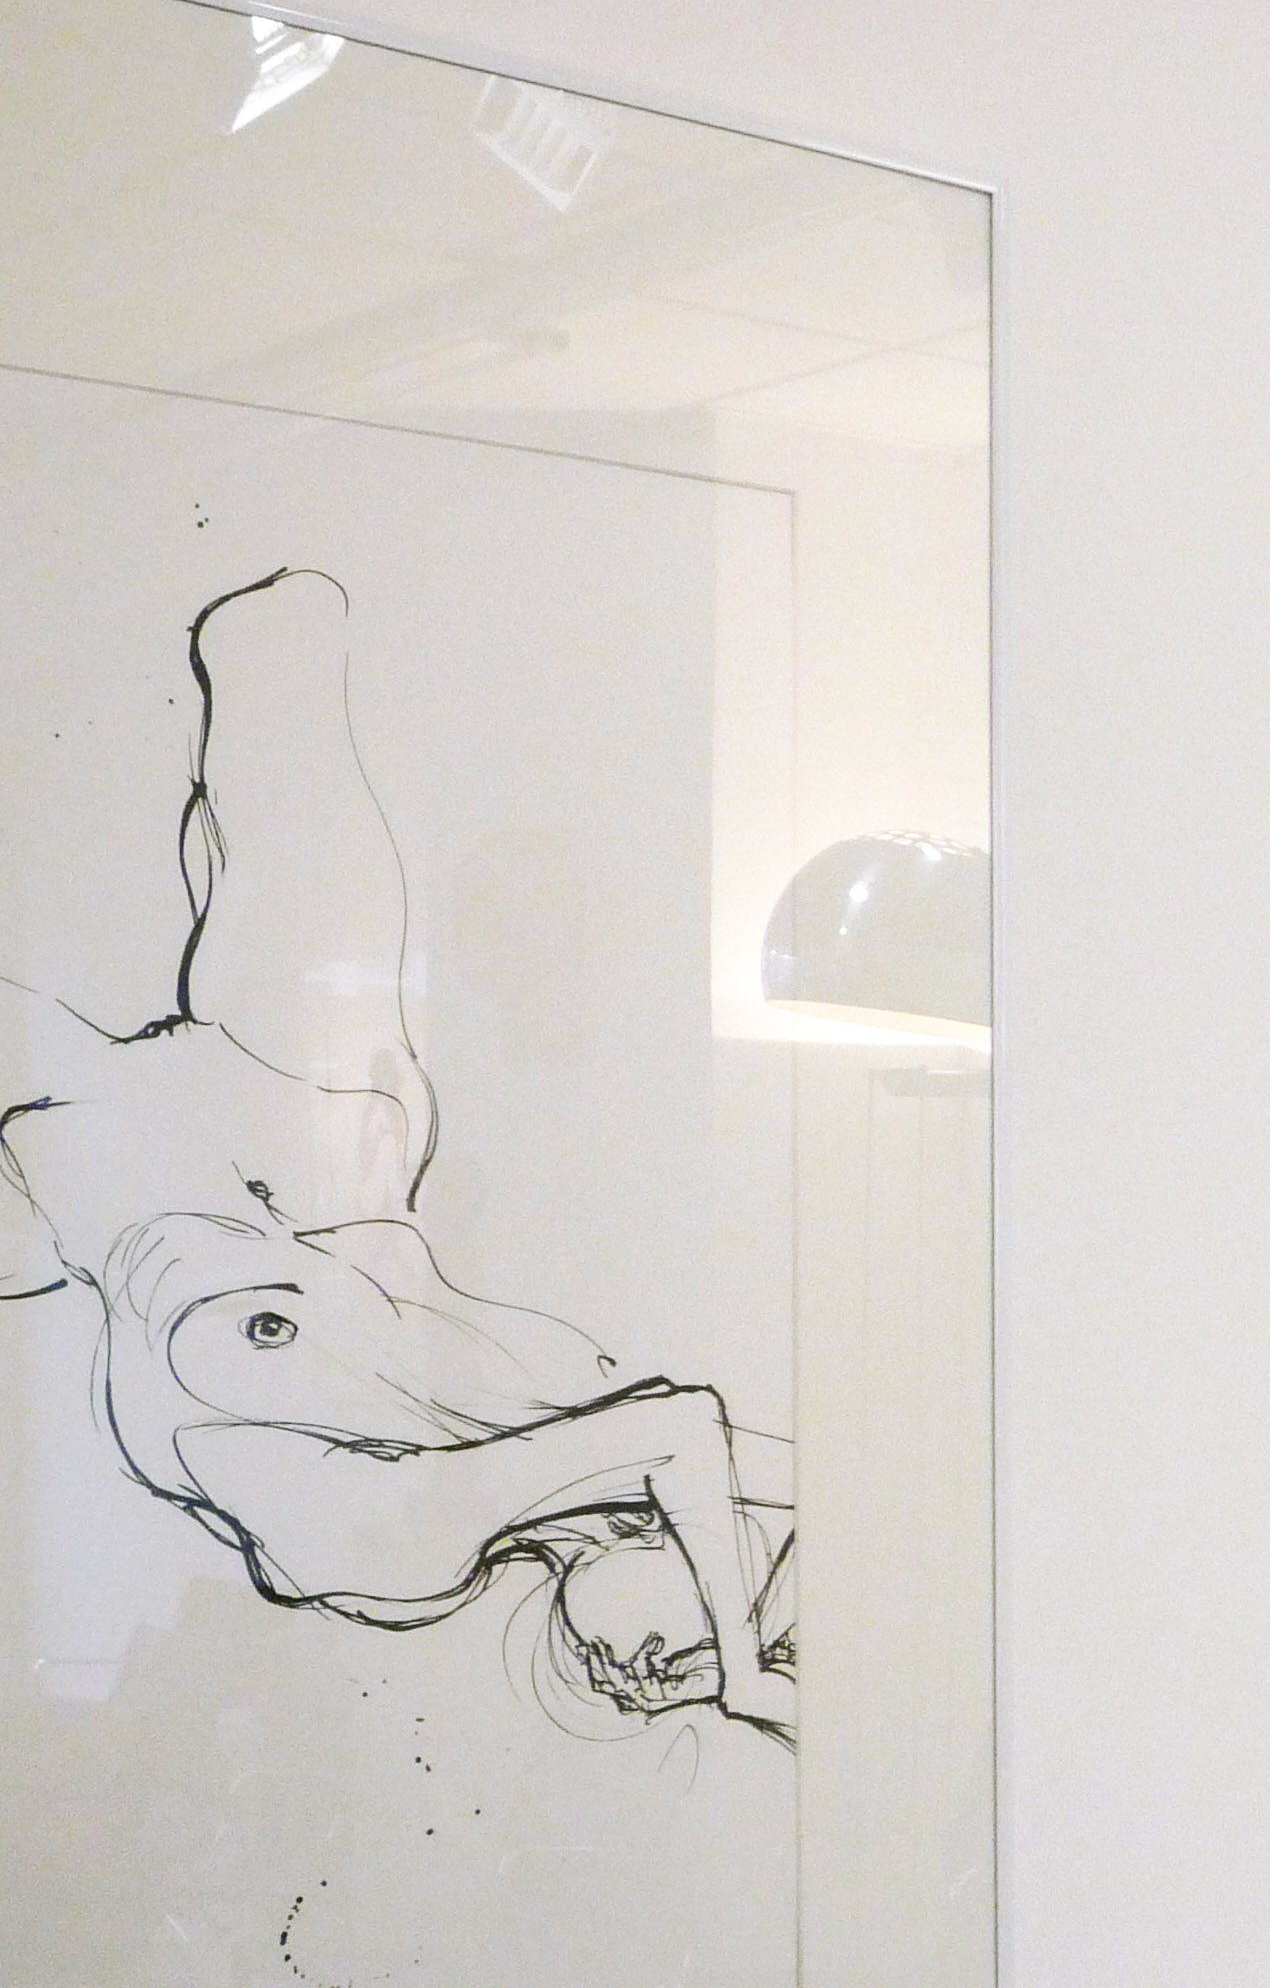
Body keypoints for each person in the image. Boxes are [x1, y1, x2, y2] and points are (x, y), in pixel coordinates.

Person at [2, 568, 793, 1738]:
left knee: (281, 677)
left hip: (116, 1172)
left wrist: (738, 1657)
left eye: (651, 1677)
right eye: (681, 1657)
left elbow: (681, 1432)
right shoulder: (511, 1460)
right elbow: (702, 1442)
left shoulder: (419, 1552)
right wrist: (745, 1655)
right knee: (284, 642)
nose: (644, 1676)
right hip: (303, 1116)